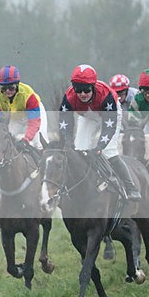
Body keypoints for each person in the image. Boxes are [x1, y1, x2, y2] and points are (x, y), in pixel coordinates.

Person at [58, 64, 141, 201]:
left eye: (86, 89)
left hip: (109, 116)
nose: (82, 94)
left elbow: (109, 127)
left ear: (93, 86)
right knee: (79, 149)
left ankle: (131, 187)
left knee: (108, 151)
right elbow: (65, 121)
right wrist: (67, 141)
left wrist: (99, 147)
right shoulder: (69, 96)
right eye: (78, 89)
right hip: (87, 116)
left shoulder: (106, 96)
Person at [0, 65, 47, 148]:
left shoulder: (28, 94)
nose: (7, 91)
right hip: (15, 118)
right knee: (6, 139)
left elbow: (34, 122)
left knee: (38, 142)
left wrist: (26, 140)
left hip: (34, 116)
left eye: (11, 87)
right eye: (3, 88)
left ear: (18, 85)